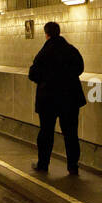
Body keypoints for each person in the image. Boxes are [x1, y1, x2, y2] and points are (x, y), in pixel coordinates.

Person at [28, 21, 86, 176]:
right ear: (59, 32)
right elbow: (80, 68)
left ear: (46, 34)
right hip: (70, 99)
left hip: (48, 100)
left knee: (46, 133)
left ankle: (43, 164)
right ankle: (73, 166)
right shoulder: (71, 50)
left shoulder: (44, 52)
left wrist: (47, 79)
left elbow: (32, 74)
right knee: (71, 134)